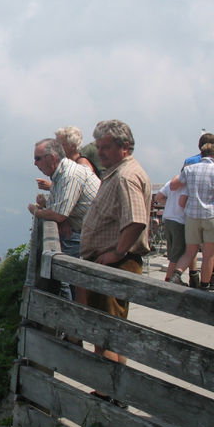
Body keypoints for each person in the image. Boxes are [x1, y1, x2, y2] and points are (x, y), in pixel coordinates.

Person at [80, 120, 152, 370]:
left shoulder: (125, 176)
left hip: (116, 265)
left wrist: (117, 252)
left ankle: (107, 394)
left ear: (125, 146)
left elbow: (136, 220)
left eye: (106, 147)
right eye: (98, 147)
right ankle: (112, 391)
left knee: (107, 332)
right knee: (109, 331)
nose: (100, 152)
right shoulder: (119, 172)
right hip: (110, 263)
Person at [28, 137, 100, 301]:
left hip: (95, 237)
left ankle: (74, 313)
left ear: (52, 158)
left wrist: (36, 211)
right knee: (75, 282)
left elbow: (59, 214)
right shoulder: (60, 174)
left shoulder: (69, 175)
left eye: (37, 158)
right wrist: (51, 209)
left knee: (76, 283)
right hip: (86, 233)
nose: (35, 163)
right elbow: (59, 210)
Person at [168, 143, 214, 291]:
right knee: (208, 255)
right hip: (212, 215)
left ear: (201, 154)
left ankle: (176, 276)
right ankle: (204, 286)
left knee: (190, 252)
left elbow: (174, 185)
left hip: (192, 215)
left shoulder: (189, 169)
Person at [155, 177, 193, 283]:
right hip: (180, 220)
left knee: (172, 253)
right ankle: (169, 279)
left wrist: (170, 202)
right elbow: (182, 203)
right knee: (178, 254)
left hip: (168, 219)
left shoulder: (170, 183)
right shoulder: (187, 184)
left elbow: (158, 197)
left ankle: (172, 278)